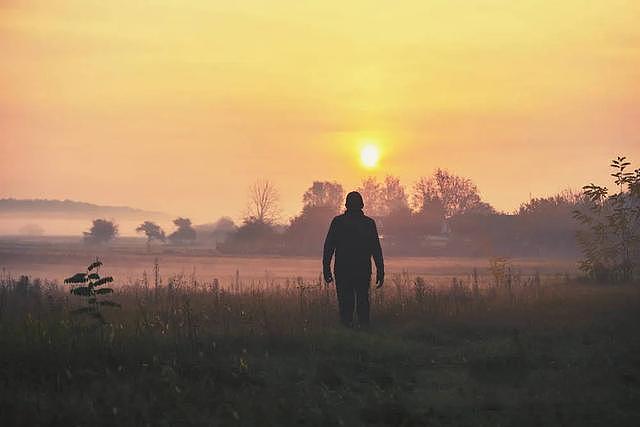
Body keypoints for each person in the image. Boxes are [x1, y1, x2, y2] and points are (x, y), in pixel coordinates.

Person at [323, 191, 384, 327]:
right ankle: (364, 329)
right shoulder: (368, 224)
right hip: (362, 269)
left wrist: (326, 268)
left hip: (343, 269)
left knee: (345, 301)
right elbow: (376, 249)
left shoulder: (338, 222)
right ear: (362, 205)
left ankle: (346, 330)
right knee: (363, 300)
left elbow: (329, 247)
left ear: (346, 205)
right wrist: (380, 270)